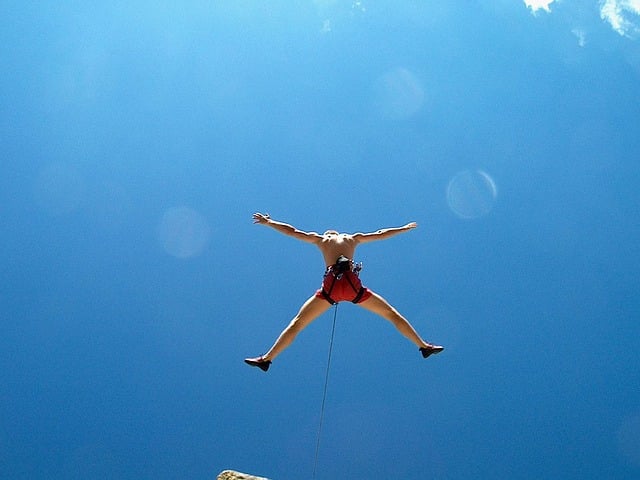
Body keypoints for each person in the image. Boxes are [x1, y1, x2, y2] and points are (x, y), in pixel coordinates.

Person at [244, 213, 443, 372]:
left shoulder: (343, 238)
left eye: (330, 232)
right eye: (328, 232)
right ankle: (266, 359)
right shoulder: (326, 239)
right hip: (343, 286)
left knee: (391, 313)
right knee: (297, 322)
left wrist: (402, 229)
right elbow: (292, 231)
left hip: (338, 286)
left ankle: (423, 346)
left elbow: (380, 233)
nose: (329, 232)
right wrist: (269, 222)